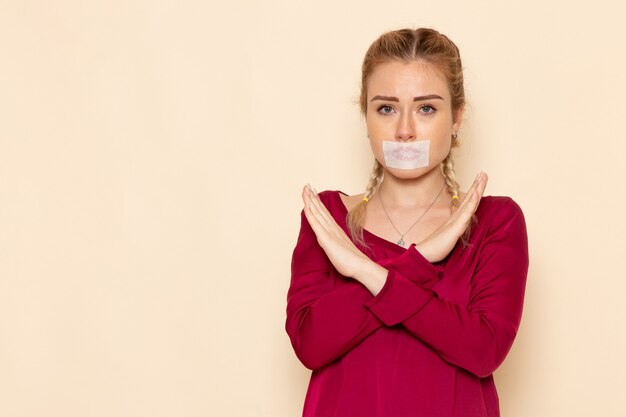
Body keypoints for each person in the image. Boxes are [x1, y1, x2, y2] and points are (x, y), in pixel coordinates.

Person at [285, 27, 529, 417]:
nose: (404, 130)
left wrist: (367, 272)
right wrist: (422, 259)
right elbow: (312, 344)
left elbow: (483, 351)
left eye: (426, 108)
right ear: (365, 117)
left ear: (457, 118)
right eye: (386, 108)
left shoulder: (496, 222)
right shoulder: (327, 218)